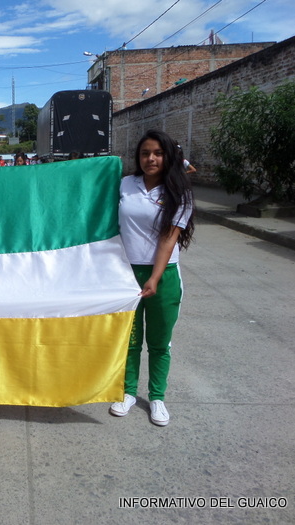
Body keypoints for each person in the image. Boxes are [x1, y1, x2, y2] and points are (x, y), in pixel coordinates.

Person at [110, 129, 195, 427]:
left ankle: (157, 397)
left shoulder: (179, 192)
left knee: (159, 342)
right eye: (145, 153)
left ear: (168, 156)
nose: (151, 159)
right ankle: (128, 392)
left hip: (164, 275)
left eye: (158, 153)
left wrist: (155, 277)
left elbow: (169, 239)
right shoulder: (125, 184)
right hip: (127, 274)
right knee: (130, 340)